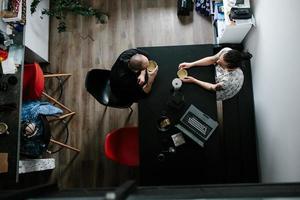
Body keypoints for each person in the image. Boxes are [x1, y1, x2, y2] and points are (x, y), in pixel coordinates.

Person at [178, 47, 252, 101]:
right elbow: (212, 59)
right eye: (219, 58)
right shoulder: (226, 51)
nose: (217, 61)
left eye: (221, 63)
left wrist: (194, 81)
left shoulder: (227, 80)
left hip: (224, 88)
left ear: (229, 69)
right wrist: (191, 64)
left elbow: (212, 87)